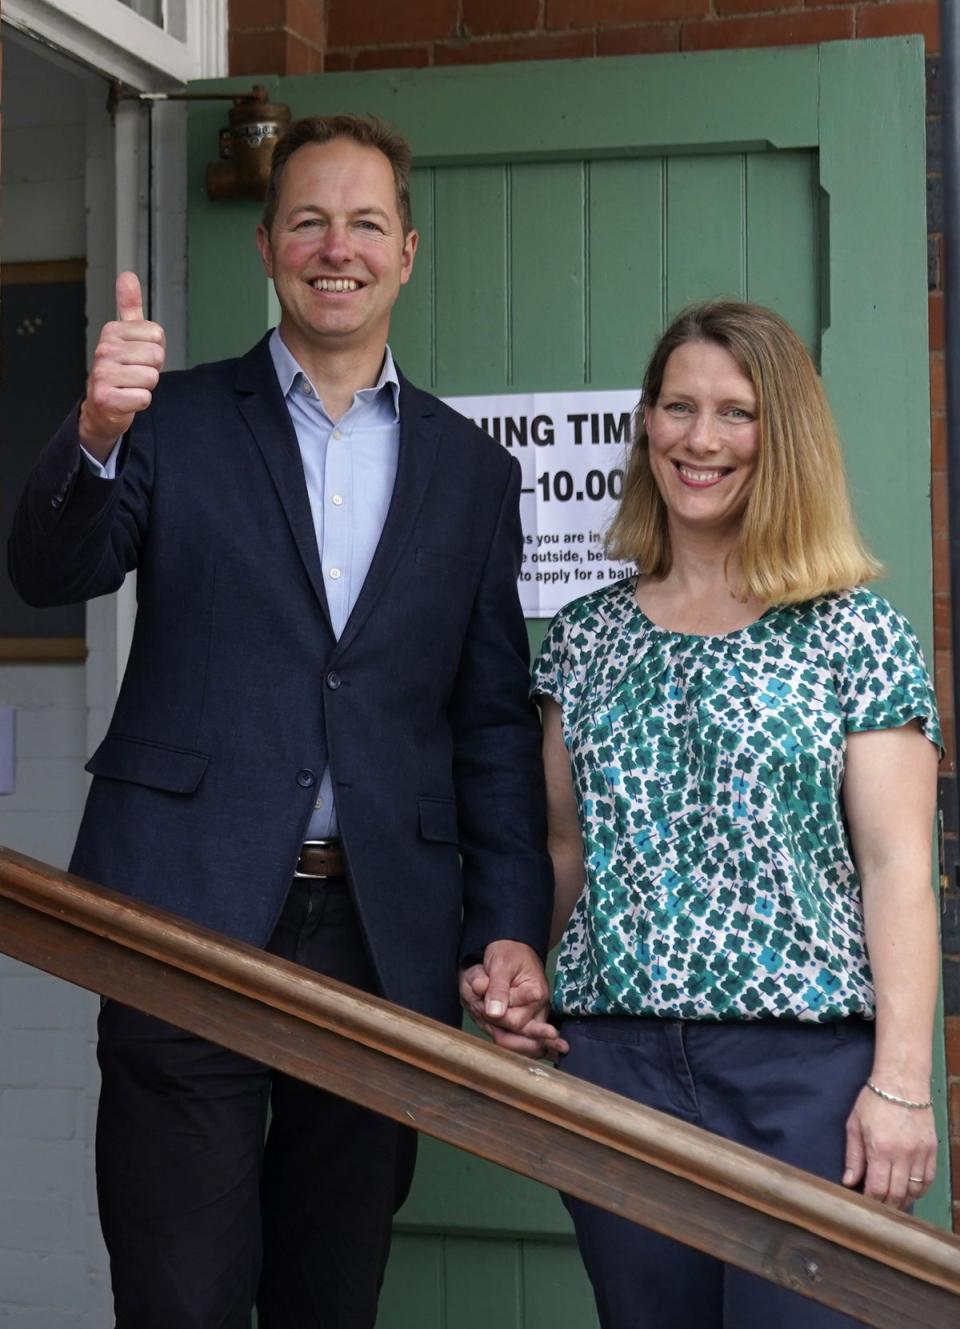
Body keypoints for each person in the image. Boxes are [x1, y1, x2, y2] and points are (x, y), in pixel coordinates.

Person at [8, 113, 555, 1329]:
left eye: (366, 223)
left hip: (381, 937)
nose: (336, 246)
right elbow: (51, 570)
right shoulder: (173, 419)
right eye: (308, 219)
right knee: (181, 1293)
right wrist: (93, 431)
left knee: (330, 1291)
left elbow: (489, 726)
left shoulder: (473, 473)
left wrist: (510, 921)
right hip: (181, 914)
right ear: (266, 245)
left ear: (408, 252)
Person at [528, 299, 940, 1328]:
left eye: (735, 413)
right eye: (677, 407)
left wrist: (901, 1083)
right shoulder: (584, 639)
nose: (700, 439)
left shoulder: (855, 634)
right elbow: (563, 850)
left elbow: (899, 869)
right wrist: (525, 980)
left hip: (800, 1072)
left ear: (784, 435)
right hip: (614, 1064)